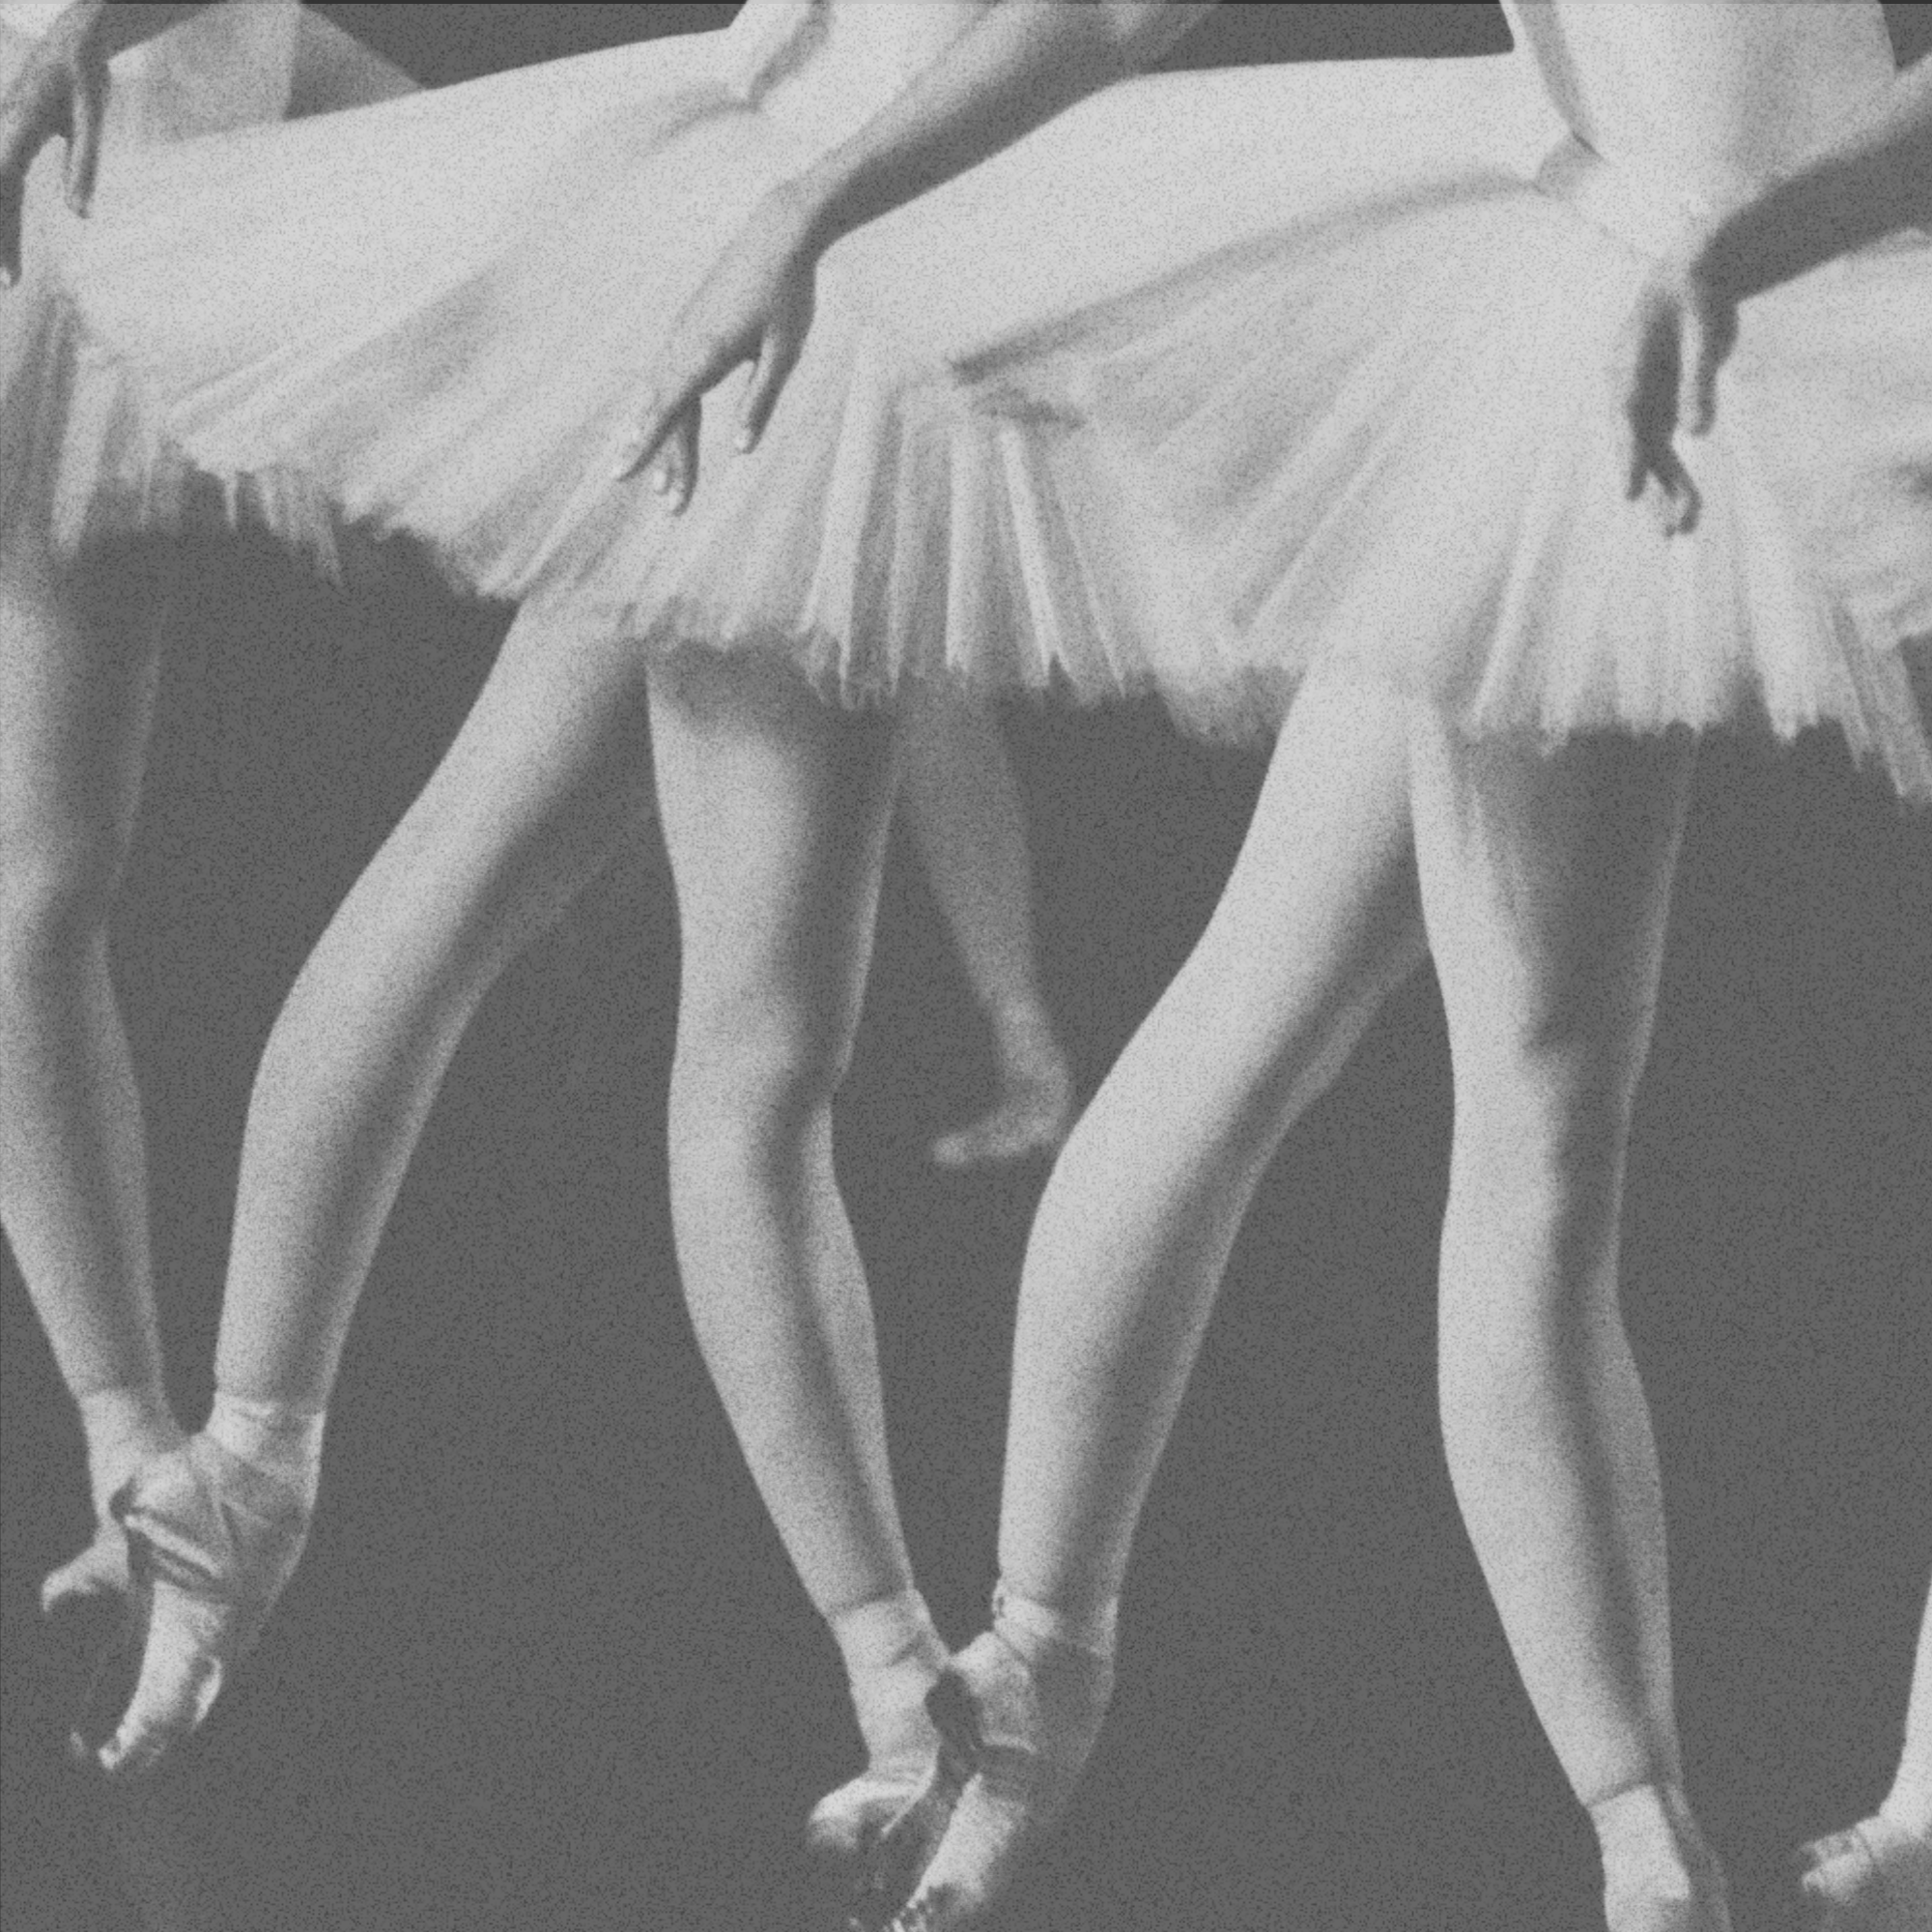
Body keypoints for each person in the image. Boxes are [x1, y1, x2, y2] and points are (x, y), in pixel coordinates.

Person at [606, 1, 1929, 1926]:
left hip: (1813, 299)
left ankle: (1828, 1815)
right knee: (1494, 1087)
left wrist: (1756, 242)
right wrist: (815, 199)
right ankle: (1597, 1829)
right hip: (1604, 326)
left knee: (1301, 1020)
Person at [35, 1, 1228, 1848]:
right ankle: (899, 1689)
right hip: (802, 281)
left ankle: (243, 1472)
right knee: (752, 1057)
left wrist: (1009, 995)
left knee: (481, 867)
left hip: (776, 235)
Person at [0, 0, 413, 1681]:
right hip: (110, 119)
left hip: (132, 126)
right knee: (33, 882)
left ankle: (153, 1440)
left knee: (37, 879)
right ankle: (140, 1436)